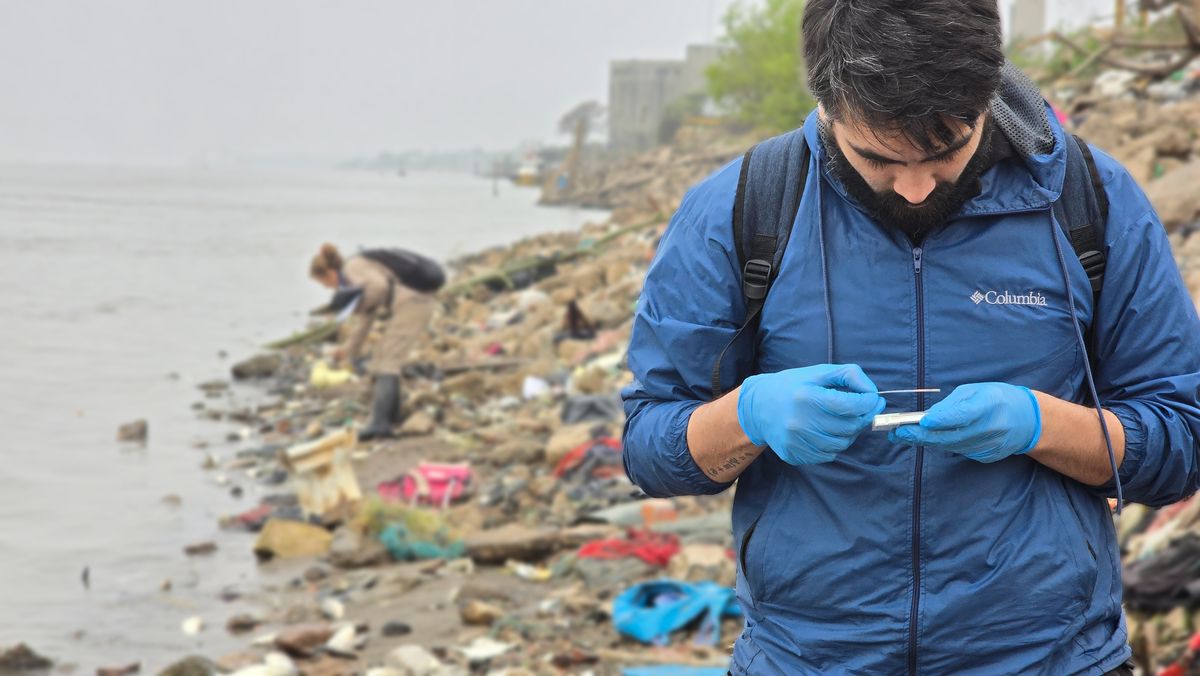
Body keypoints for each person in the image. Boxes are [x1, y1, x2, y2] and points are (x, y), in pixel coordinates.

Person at [621, 0, 1200, 673]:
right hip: (806, 660)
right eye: (878, 158)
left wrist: (1041, 424)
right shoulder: (744, 209)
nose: (918, 187)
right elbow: (649, 449)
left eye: (947, 149)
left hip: (1052, 659)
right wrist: (747, 416)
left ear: (989, 96)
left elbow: (1182, 442)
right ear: (828, 105)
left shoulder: (1090, 203)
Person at [310, 243, 439, 441]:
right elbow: (367, 316)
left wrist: (356, 306)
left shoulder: (353, 268)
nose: (328, 287)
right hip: (411, 303)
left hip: (414, 303)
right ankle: (391, 415)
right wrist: (348, 350)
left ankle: (380, 424)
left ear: (329, 272)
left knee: (389, 362)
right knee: (381, 360)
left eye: (324, 282)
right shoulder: (354, 276)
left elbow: (379, 288)